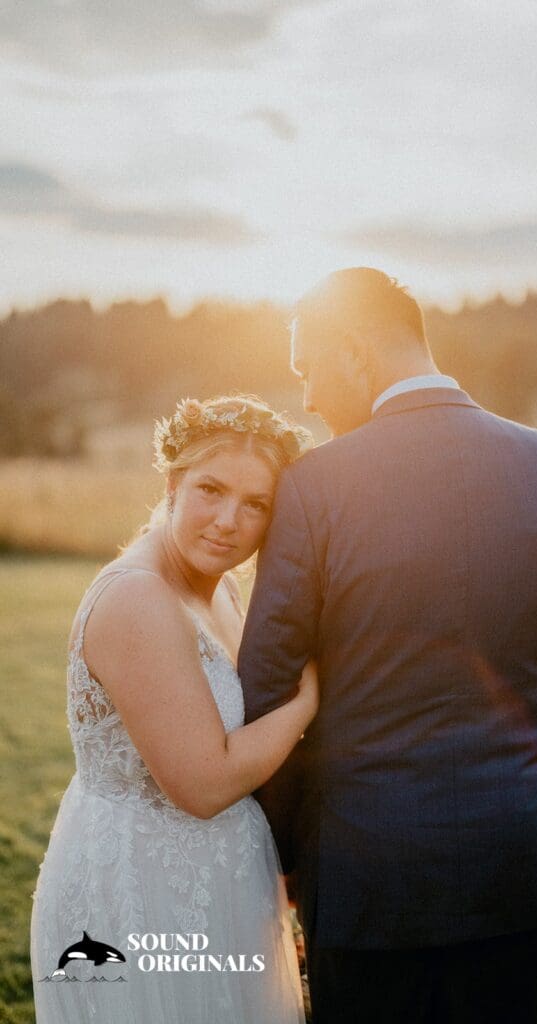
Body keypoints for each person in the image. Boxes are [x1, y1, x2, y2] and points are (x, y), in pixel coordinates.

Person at [238, 268, 537, 1024]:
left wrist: (280, 852)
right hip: (516, 857)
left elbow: (269, 682)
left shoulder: (315, 486)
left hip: (361, 870)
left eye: (307, 370)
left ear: (353, 352)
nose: (307, 399)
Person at [31, 394, 315, 1024]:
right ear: (172, 483)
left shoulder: (226, 592)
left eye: (256, 504)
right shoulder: (137, 597)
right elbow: (204, 783)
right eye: (210, 489)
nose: (227, 521)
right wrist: (310, 699)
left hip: (222, 881)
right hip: (141, 891)